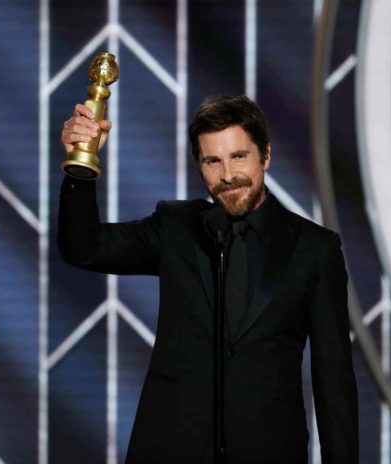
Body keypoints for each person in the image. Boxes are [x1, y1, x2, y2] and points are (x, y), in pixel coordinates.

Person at [59, 95, 359, 463]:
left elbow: (334, 382)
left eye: (239, 157)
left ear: (265, 155)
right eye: (212, 161)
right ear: (199, 168)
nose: (228, 175)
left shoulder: (315, 249)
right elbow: (84, 248)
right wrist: (81, 164)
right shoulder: (175, 228)